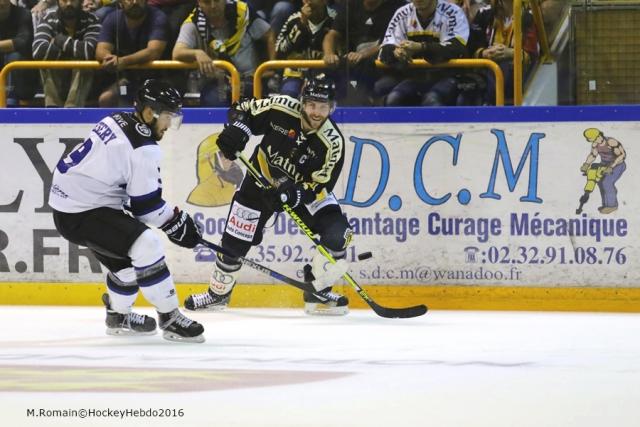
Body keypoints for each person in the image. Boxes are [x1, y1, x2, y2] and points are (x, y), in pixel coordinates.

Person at [49, 79, 205, 343]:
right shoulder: (143, 149)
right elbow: (146, 207)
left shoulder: (117, 118)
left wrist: (173, 222)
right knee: (147, 245)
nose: (169, 125)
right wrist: (177, 222)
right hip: (83, 211)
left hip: (71, 207)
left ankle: (117, 316)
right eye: (167, 116)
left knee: (129, 267)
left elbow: (132, 198)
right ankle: (169, 318)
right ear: (148, 113)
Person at [185, 73, 352, 316]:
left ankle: (318, 290)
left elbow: (319, 186)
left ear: (331, 108)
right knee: (233, 243)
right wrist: (239, 128)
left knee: (338, 235)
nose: (316, 112)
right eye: (312, 105)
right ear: (303, 102)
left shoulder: (332, 142)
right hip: (259, 181)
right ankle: (217, 294)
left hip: (300, 193)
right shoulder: (281, 107)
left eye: (323, 107)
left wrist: (295, 195)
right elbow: (242, 108)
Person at [172, 0, 276, 106]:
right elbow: (177, 53)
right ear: (199, 3)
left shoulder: (243, 12)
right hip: (217, 83)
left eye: (217, 1)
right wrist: (196, 53)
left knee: (254, 100)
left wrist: (272, 67)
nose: (213, 6)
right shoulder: (193, 23)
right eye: (207, 2)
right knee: (213, 101)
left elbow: (270, 35)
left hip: (250, 79)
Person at [376, 0, 469, 106]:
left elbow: (456, 49)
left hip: (446, 75)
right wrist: (396, 52)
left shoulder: (454, 12)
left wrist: (421, 48)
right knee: (394, 99)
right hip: (414, 77)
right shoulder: (402, 13)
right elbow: (385, 48)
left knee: (432, 100)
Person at [322, 0, 407, 105]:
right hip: (355, 71)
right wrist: (329, 54)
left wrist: (363, 55)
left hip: (388, 71)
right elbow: (332, 35)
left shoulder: (398, 7)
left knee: (378, 89)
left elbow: (392, 41)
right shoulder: (350, 5)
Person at [95, 0, 169, 106]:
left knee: (148, 106)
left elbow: (153, 52)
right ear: (121, 2)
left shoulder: (158, 18)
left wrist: (123, 61)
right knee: (106, 98)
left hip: (159, 78)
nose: (135, 2)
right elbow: (101, 50)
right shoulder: (112, 18)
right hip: (129, 79)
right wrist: (109, 58)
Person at [468, 0, 538, 105]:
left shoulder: (529, 17)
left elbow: (532, 56)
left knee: (503, 68)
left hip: (514, 76)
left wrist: (511, 53)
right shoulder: (484, 14)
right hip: (484, 71)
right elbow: (470, 48)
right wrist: (484, 53)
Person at [32, 0, 101, 107]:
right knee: (45, 62)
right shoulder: (48, 18)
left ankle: (71, 110)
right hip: (57, 73)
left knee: (84, 63)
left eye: (73, 0)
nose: (69, 4)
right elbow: (38, 51)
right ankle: (52, 109)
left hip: (84, 81)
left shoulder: (92, 20)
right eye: (64, 0)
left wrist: (58, 40)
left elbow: (89, 51)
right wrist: (74, 50)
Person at [275, 0, 335, 97]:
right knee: (289, 94)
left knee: (321, 96)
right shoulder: (294, 20)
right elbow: (280, 51)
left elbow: (343, 51)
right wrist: (301, 24)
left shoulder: (335, 20)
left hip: (326, 74)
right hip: (295, 73)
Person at [578, 128, 626, 214]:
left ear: (599, 136)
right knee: (600, 182)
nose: (594, 141)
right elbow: (593, 155)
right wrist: (586, 164)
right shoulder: (595, 144)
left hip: (618, 164)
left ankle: (612, 206)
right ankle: (606, 204)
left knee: (607, 182)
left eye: (595, 139)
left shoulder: (611, 142)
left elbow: (622, 155)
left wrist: (612, 166)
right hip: (604, 165)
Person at [0, 0, 37, 106]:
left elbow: (23, 42)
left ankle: (11, 102)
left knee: (14, 57)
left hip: (20, 69)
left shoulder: (23, 14)